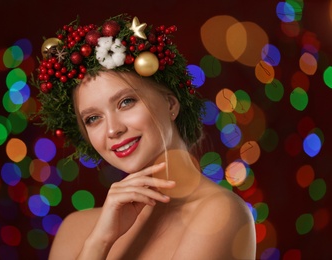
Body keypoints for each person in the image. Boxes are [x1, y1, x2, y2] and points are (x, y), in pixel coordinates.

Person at [34, 14, 256, 259]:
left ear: (171, 103)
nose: (112, 130)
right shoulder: (76, 229)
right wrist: (98, 242)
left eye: (126, 102)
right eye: (93, 118)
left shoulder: (220, 213)